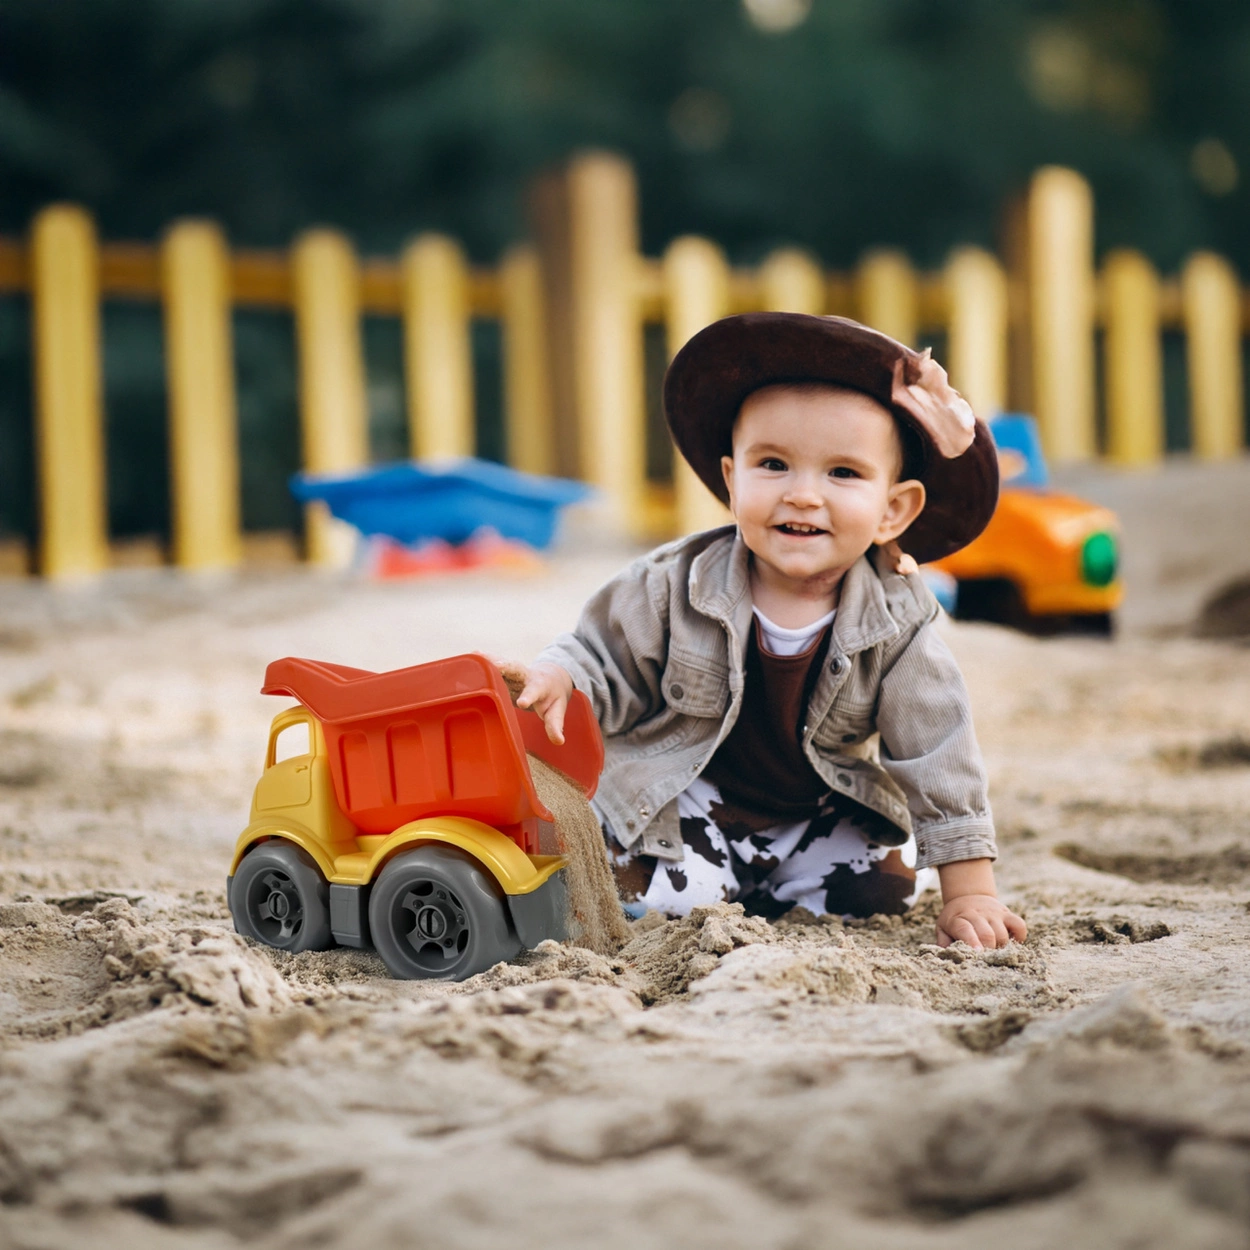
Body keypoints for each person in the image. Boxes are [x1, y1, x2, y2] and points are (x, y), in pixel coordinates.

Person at [511, 313, 1026, 950]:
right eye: (774, 464)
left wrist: (971, 890)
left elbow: (937, 748)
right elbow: (600, 654)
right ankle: (716, 886)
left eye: (843, 473)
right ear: (733, 480)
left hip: (813, 813)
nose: (804, 495)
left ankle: (770, 885)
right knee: (642, 896)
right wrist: (561, 676)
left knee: (883, 889)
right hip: (686, 803)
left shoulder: (900, 622)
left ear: (893, 510)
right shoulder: (675, 584)